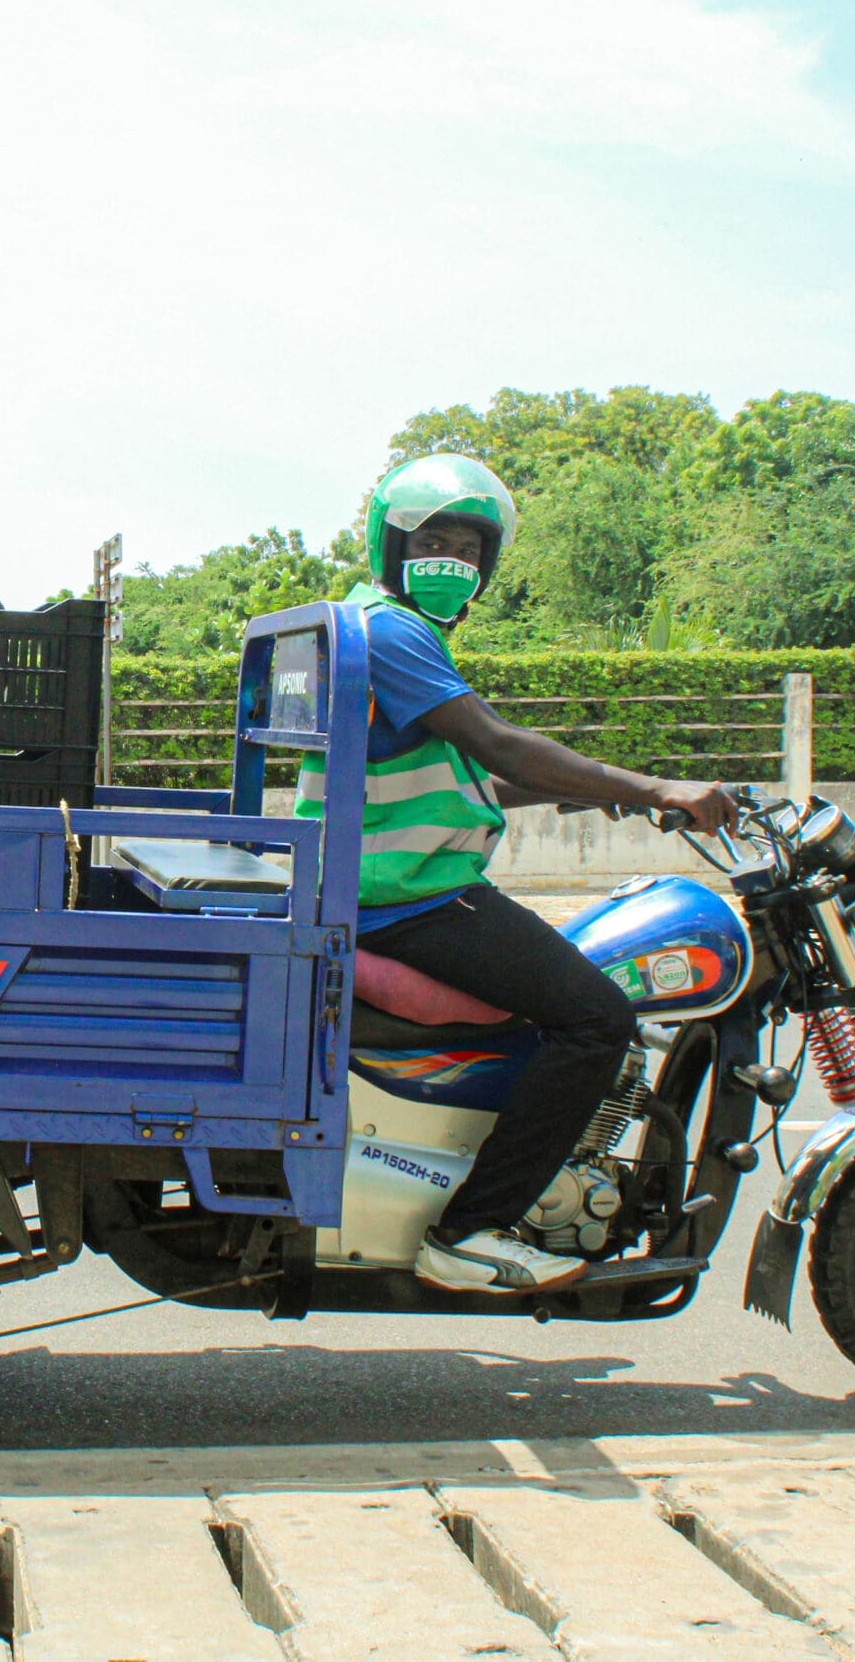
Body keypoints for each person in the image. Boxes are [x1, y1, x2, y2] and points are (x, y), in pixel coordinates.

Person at [296, 453, 734, 1294]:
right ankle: (469, 1230)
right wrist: (653, 785)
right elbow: (496, 741)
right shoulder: (392, 631)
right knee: (598, 1018)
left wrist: (592, 794)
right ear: (391, 543)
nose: (451, 559)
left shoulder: (361, 622)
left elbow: (458, 775)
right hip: (407, 898)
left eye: (468, 547)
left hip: (384, 880)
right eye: (433, 539)